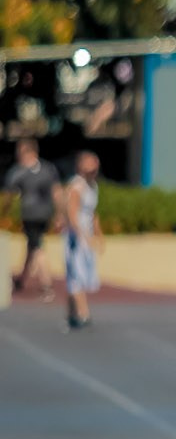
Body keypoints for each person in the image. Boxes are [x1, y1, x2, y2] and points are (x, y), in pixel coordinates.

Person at [6, 138, 63, 300]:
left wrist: (5, 210)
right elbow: (57, 192)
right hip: (45, 214)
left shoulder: (18, 171)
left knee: (37, 247)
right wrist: (59, 214)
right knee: (32, 244)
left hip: (30, 215)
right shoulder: (48, 169)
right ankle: (22, 279)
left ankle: (47, 285)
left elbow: (10, 195)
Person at [61, 152, 104, 331]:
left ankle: (71, 313)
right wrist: (82, 236)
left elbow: (93, 214)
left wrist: (99, 234)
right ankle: (83, 313)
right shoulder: (76, 187)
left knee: (81, 275)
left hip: (86, 236)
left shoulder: (92, 187)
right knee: (76, 274)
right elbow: (72, 214)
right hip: (75, 237)